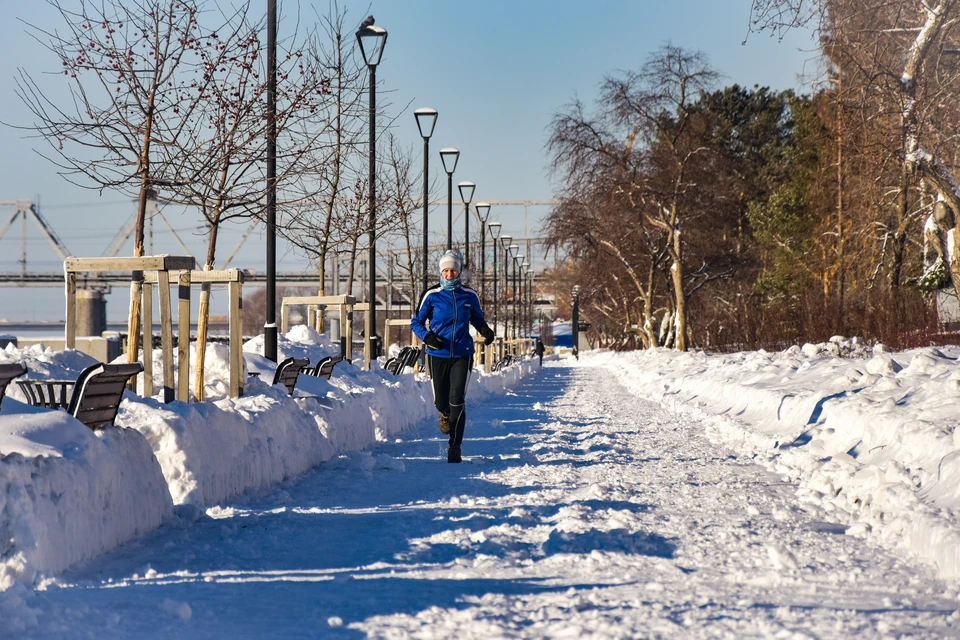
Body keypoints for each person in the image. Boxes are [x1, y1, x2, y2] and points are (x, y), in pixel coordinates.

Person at [411, 249, 495, 463]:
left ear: (459, 273)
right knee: (442, 402)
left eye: (453, 271)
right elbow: (416, 323)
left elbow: (477, 318)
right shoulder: (432, 295)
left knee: (457, 400)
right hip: (437, 353)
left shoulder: (469, 295)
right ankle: (444, 414)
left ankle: (455, 446)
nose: (449, 275)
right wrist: (428, 337)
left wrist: (485, 330)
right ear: (441, 272)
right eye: (446, 271)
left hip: (462, 353)